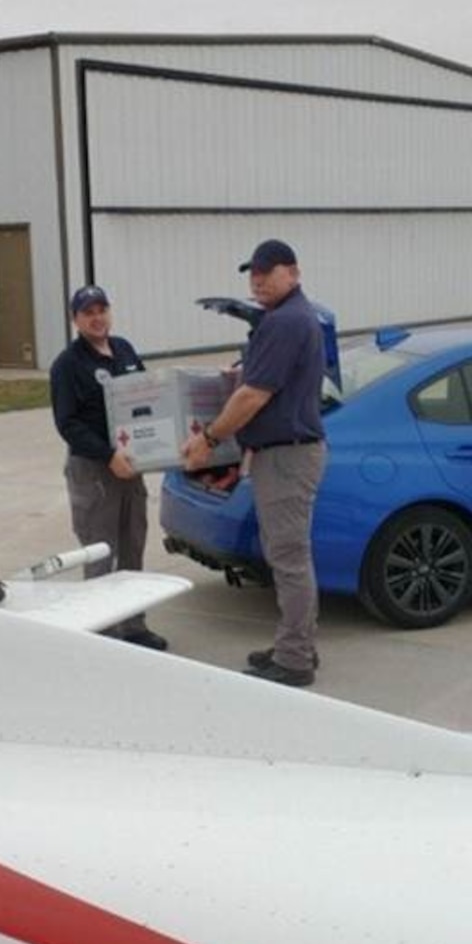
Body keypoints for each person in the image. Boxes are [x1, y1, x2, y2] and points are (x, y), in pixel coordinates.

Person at [182, 239, 324, 687]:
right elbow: (259, 384)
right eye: (252, 273)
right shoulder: (289, 319)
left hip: (287, 455)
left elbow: (253, 395)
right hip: (282, 452)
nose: (257, 280)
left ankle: (296, 658)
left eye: (268, 271)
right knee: (286, 555)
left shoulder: (285, 322)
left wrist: (208, 439)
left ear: (294, 273)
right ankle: (293, 643)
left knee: (288, 557)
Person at [49, 285, 168, 650]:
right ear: (75, 320)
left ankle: (134, 625)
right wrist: (107, 455)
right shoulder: (68, 365)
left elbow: (147, 397)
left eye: (102, 310)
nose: (97, 318)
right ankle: (103, 634)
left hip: (131, 466)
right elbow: (68, 423)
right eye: (88, 312)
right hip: (95, 469)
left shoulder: (125, 350)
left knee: (132, 546)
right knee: (101, 552)